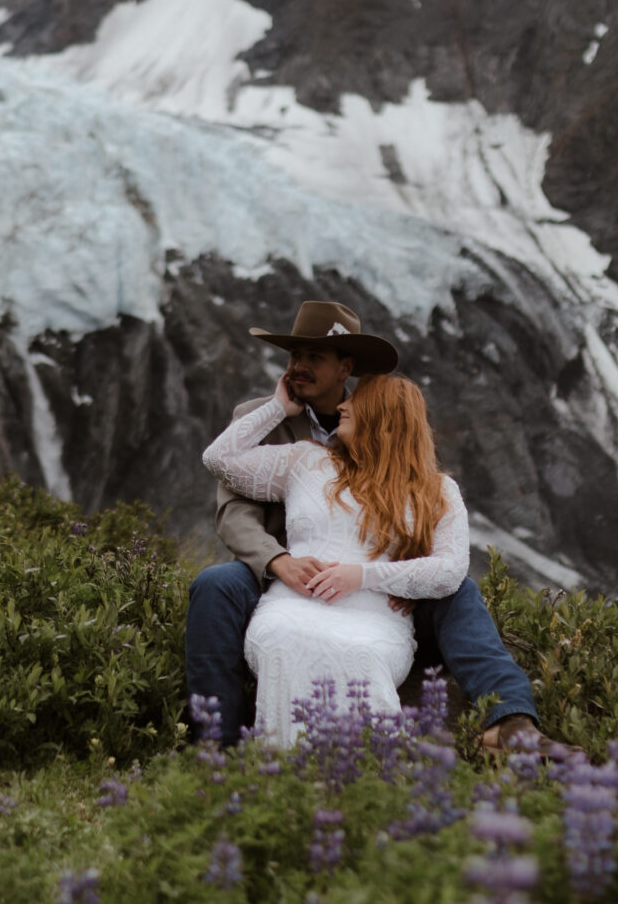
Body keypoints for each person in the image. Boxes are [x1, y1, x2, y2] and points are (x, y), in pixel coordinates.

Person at [185, 299, 550, 748]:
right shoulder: (265, 423)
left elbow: (417, 525)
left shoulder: (377, 420)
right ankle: (214, 739)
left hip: (377, 582)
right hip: (277, 569)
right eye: (294, 356)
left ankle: (511, 718)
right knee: (216, 583)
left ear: (346, 367)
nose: (298, 366)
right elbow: (234, 512)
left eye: (313, 357)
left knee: (460, 589)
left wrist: (395, 578)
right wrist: (278, 562)